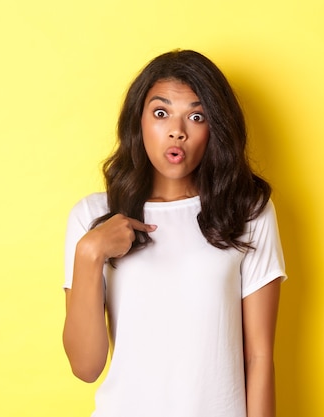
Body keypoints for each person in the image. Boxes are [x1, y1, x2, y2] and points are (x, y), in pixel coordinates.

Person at [62, 49, 286, 417]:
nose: (176, 130)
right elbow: (85, 368)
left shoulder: (247, 211)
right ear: (139, 120)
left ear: (215, 128)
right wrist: (90, 254)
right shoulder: (92, 216)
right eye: (161, 112)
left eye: (196, 116)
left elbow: (259, 356)